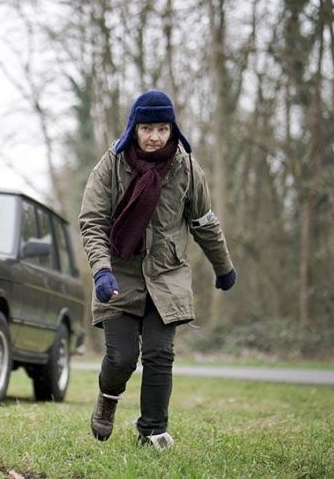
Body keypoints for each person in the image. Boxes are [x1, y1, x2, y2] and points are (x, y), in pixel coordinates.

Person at [78, 89, 236, 451]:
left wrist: (223, 266)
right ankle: (108, 396)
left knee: (159, 354)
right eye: (147, 128)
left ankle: (151, 432)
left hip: (167, 276)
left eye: (163, 129)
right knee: (121, 358)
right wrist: (102, 271)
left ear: (172, 130)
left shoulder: (186, 168)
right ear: (134, 127)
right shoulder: (112, 165)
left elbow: (204, 222)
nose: (154, 137)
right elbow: (92, 222)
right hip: (119, 274)